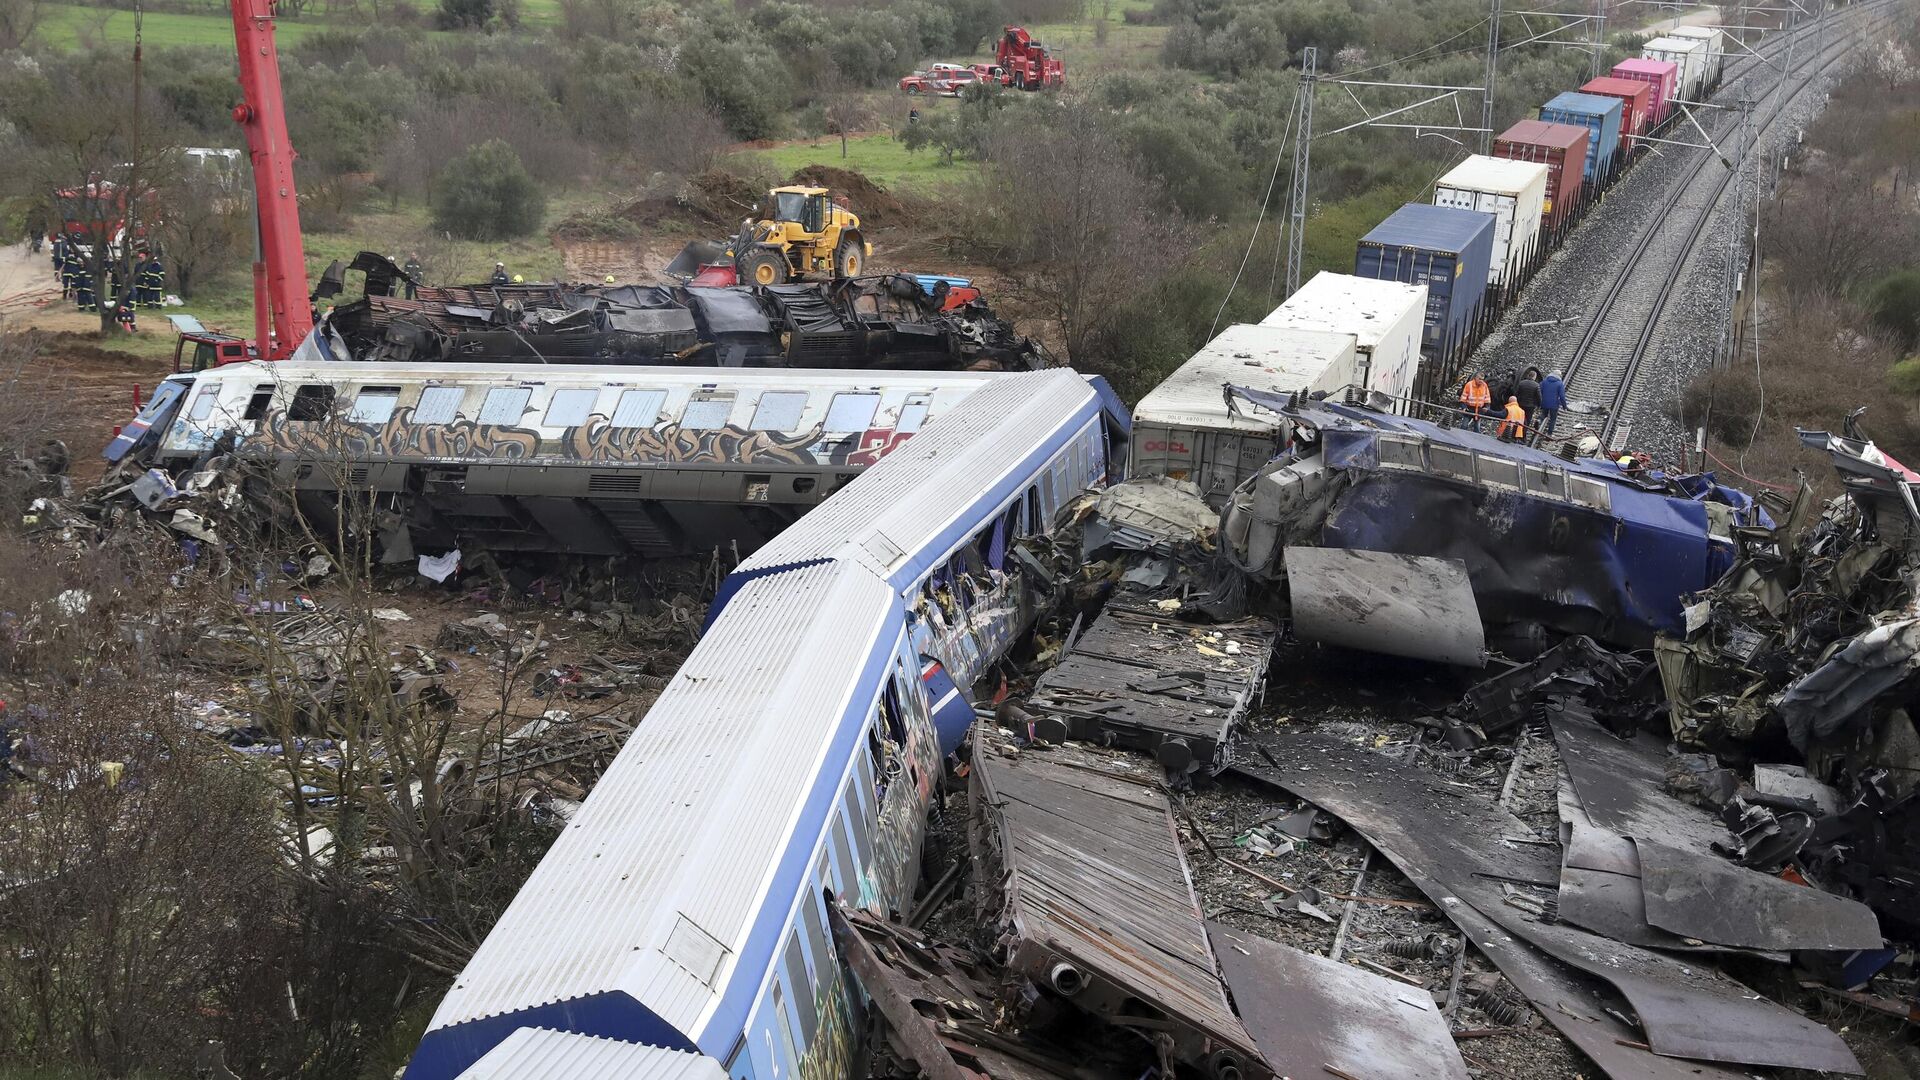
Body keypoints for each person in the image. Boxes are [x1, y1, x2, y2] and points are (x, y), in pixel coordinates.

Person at [1515, 366, 1542, 437]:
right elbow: (1539, 397)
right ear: (1534, 377)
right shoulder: (1536, 385)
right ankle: (1522, 436)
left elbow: (1517, 393)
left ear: (1528, 375)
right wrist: (1539, 405)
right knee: (1527, 421)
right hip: (1530, 406)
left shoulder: (1522, 383)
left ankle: (1515, 433)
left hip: (1521, 404)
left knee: (1519, 419)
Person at [1539, 370, 1566, 435]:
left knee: (1543, 416)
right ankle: (1549, 433)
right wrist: (1564, 406)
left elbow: (1539, 391)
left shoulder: (1544, 381)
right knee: (1553, 419)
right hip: (1554, 405)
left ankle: (1539, 429)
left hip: (1544, 402)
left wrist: (1540, 401)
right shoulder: (1560, 383)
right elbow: (1562, 396)